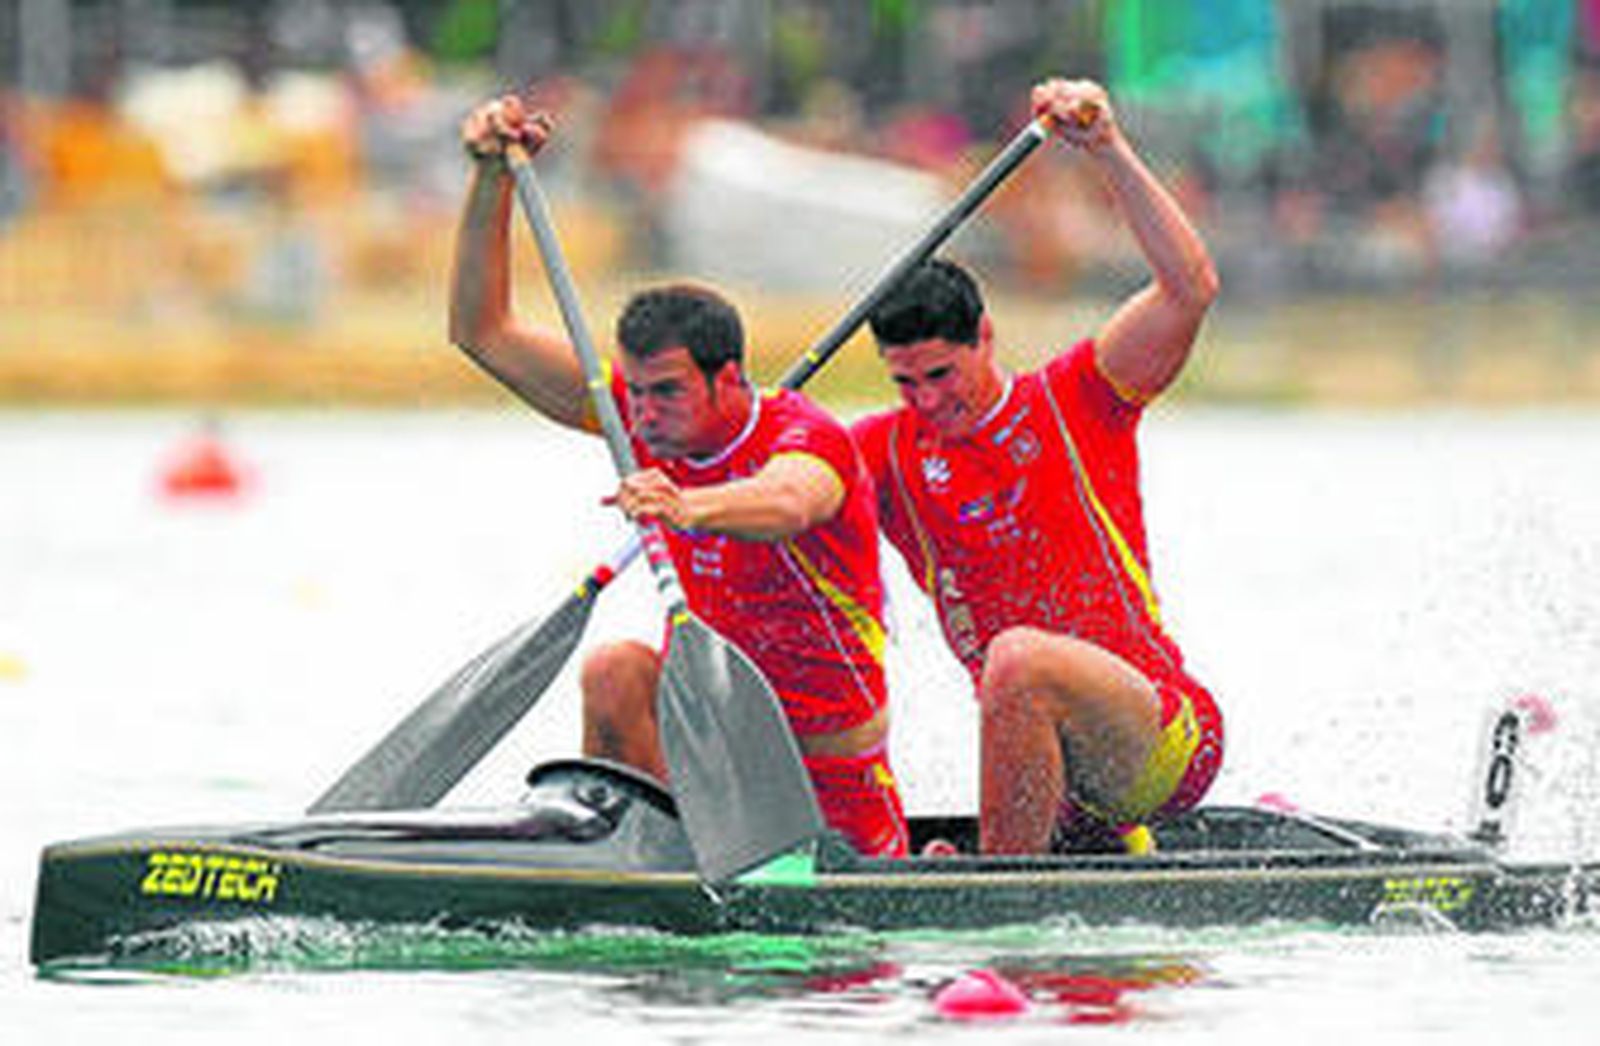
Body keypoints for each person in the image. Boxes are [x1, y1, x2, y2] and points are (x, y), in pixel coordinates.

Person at [448, 94, 908, 859]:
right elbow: (480, 331)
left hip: (827, 783)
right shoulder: (640, 417)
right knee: (615, 670)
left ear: (728, 380)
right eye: (639, 391)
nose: (646, 414)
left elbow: (792, 501)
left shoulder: (806, 436)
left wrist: (687, 504)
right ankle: (621, 859)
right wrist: (490, 180)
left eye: (667, 391)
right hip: (712, 757)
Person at [850, 78, 1223, 856]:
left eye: (941, 375)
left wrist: (1107, 148)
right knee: (1014, 667)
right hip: (1062, 773)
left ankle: (1001, 882)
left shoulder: (1078, 397)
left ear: (984, 337)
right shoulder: (882, 451)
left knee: (1016, 658)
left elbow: (1189, 288)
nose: (926, 400)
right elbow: (773, 480)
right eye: (905, 382)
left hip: (1158, 735)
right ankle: (1047, 846)